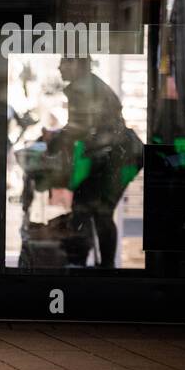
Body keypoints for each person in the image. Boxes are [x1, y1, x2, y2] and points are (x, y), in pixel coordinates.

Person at [48, 54, 138, 269]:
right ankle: (98, 264)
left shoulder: (82, 88)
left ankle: (96, 265)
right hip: (117, 155)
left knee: (97, 210)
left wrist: (55, 141)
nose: (59, 66)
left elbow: (80, 129)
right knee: (91, 208)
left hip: (118, 157)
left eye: (64, 61)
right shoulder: (85, 85)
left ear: (77, 63)